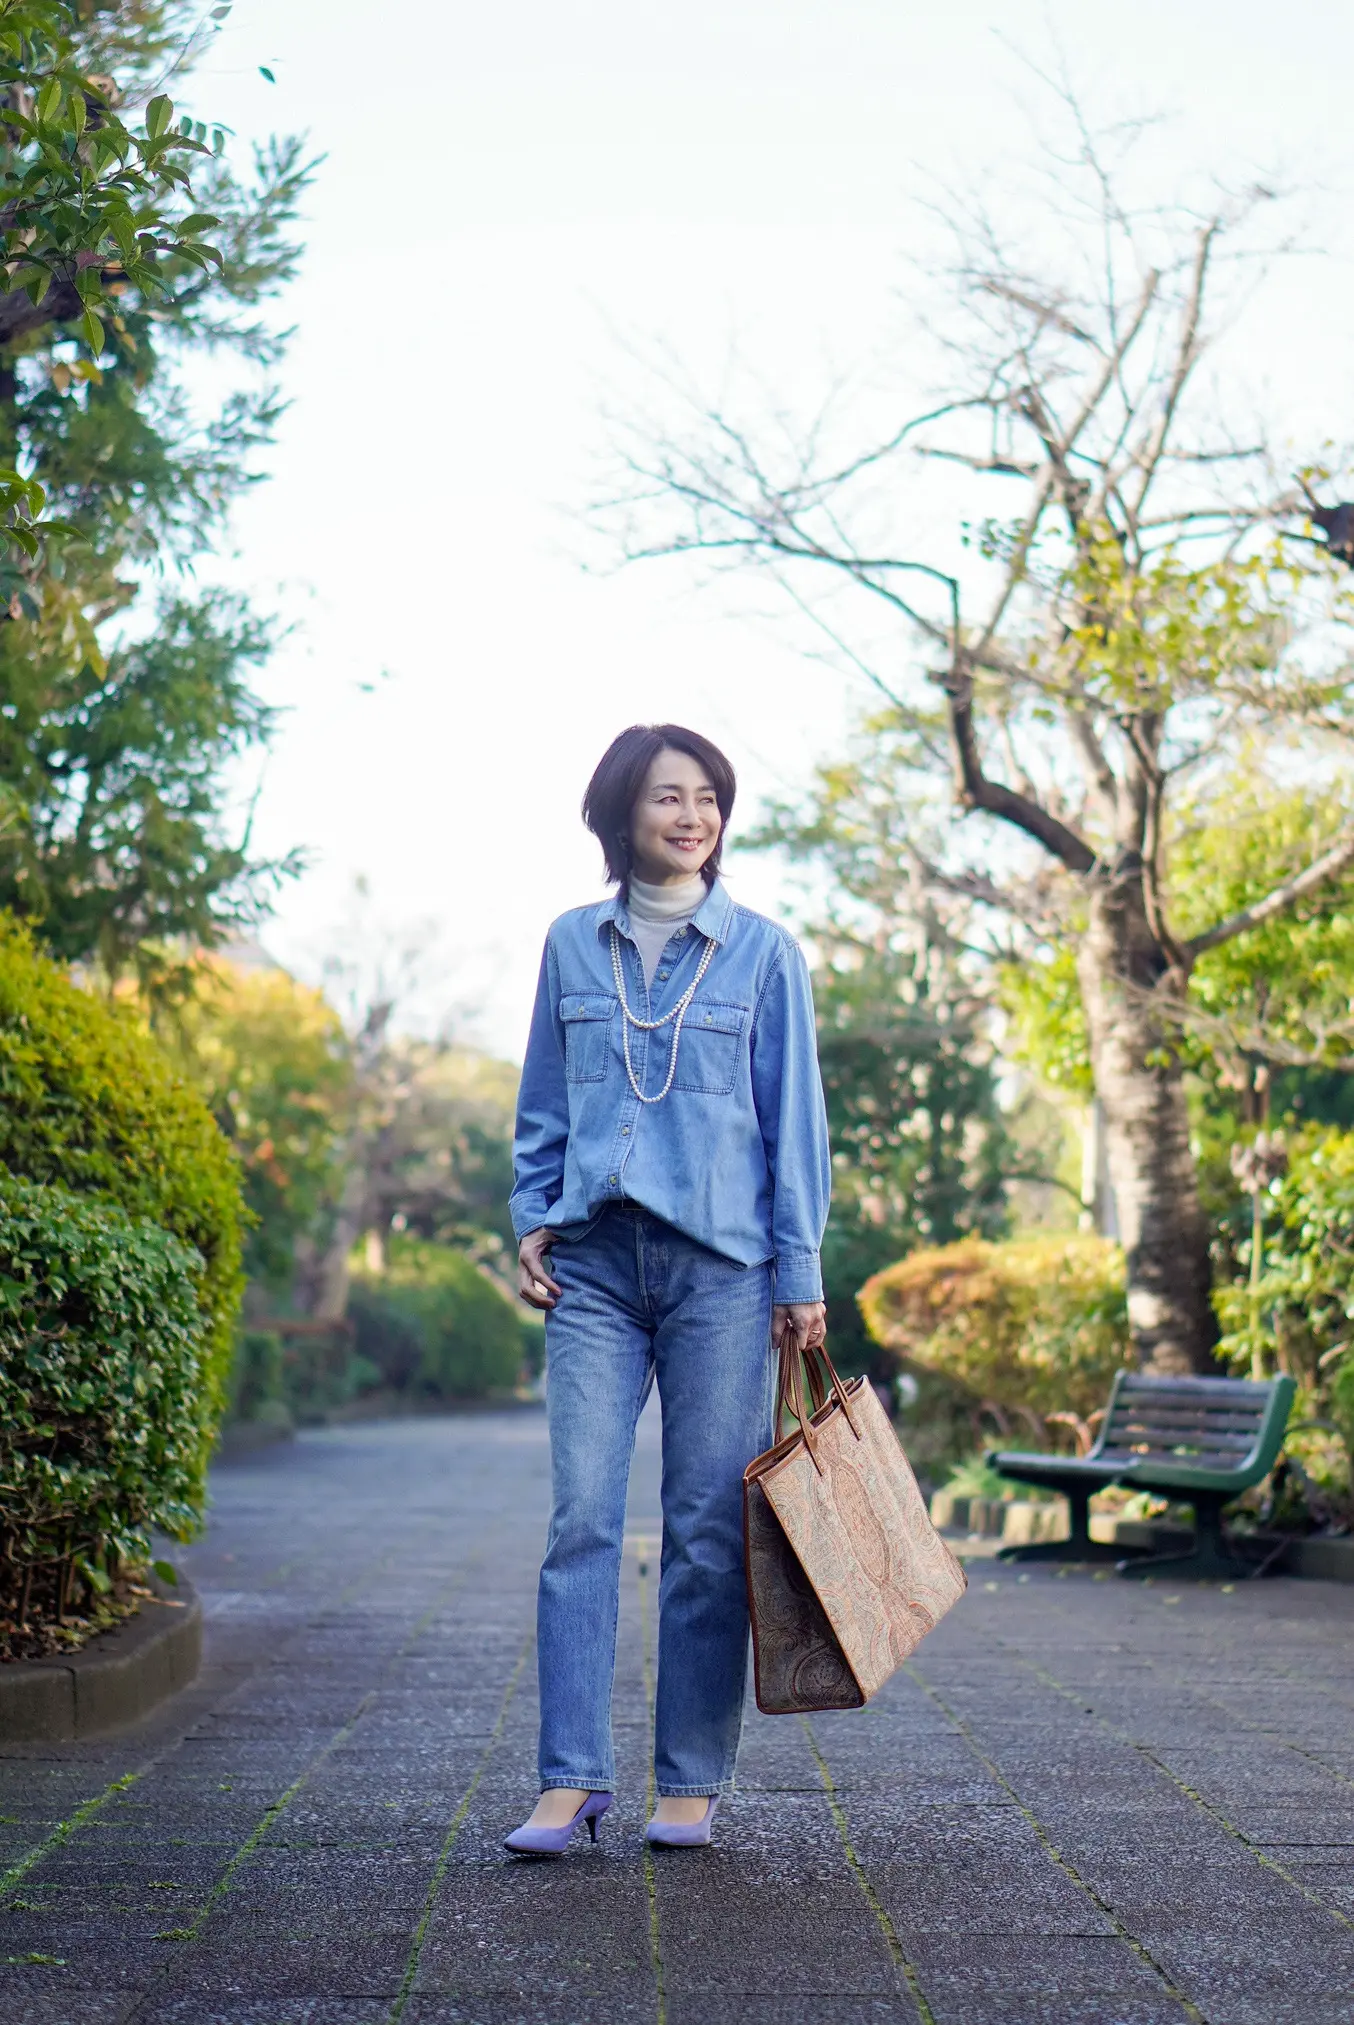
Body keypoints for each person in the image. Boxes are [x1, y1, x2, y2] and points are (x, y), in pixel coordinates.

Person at [504, 722, 830, 1856]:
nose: (689, 816)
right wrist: (531, 1217)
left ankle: (687, 1778)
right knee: (582, 1518)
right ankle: (569, 1780)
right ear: (619, 816)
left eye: (706, 798)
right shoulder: (568, 944)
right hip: (594, 1265)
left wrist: (801, 1276)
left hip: (723, 1276)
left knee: (701, 1524)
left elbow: (794, 1132)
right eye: (665, 798)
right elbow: (542, 1107)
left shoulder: (764, 955)